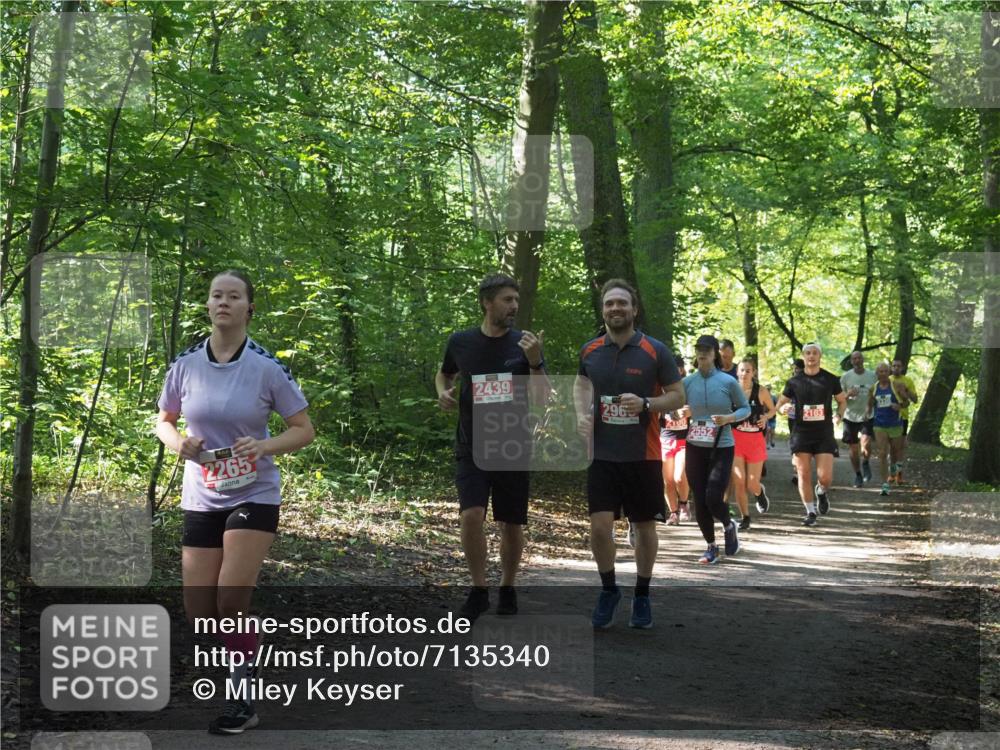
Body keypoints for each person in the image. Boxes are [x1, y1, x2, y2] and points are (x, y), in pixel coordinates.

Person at [156, 270, 315, 735]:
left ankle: (242, 700)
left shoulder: (265, 367)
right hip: (202, 493)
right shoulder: (185, 364)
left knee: (230, 598)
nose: (223, 302)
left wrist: (264, 446)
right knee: (200, 612)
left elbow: (303, 429)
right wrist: (179, 443)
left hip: (254, 492)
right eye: (216, 296)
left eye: (234, 296)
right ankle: (248, 648)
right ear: (208, 306)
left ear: (249, 308)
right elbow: (164, 421)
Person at [436, 273, 548, 622]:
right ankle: (479, 589)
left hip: (512, 446)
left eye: (516, 299)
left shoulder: (525, 344)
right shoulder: (461, 342)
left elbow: (543, 397)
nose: (514, 306)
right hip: (471, 444)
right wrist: (443, 391)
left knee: (510, 523)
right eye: (507, 300)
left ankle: (508, 587)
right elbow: (445, 374)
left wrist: (535, 361)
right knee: (471, 515)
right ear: (487, 302)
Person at [575, 279, 684, 629]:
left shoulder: (655, 350)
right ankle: (609, 589)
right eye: (609, 304)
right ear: (603, 310)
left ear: (634, 309)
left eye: (622, 303)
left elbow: (678, 395)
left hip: (643, 454)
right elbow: (580, 387)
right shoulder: (590, 351)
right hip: (602, 453)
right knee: (599, 527)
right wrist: (581, 415)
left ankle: (642, 593)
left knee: (644, 526)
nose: (615, 308)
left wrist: (647, 403)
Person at [681, 336, 750, 564]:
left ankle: (729, 525)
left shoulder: (728, 381)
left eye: (707, 350)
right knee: (699, 499)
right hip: (694, 445)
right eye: (699, 349)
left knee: (712, 496)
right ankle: (711, 546)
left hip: (721, 445)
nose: (702, 353)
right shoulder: (687, 382)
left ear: (714, 354)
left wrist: (728, 418)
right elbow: (674, 408)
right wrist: (678, 413)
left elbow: (745, 409)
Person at [775, 343, 847, 527]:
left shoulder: (830, 379)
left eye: (815, 353)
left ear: (820, 356)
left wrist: (839, 415)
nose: (811, 356)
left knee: (825, 477)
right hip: (801, 433)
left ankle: (821, 491)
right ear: (804, 356)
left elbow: (842, 401)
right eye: (808, 353)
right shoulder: (794, 381)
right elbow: (780, 404)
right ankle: (810, 511)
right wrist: (783, 409)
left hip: (824, 433)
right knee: (803, 473)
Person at [731, 358, 776, 530]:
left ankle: (759, 492)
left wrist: (765, 417)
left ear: (753, 372)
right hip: (735, 439)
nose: (744, 373)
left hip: (755, 440)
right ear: (737, 372)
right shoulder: (730, 390)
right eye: (742, 370)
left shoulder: (761, 391)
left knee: (751, 483)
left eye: (748, 370)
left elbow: (772, 410)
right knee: (739, 480)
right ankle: (745, 517)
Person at [869, 362, 910, 496]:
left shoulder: (897, 385)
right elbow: (870, 403)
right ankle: (885, 484)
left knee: (895, 452)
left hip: (895, 424)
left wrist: (900, 406)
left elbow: (907, 402)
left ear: (889, 373)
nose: (883, 374)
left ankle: (893, 470)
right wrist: (867, 413)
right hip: (879, 424)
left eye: (886, 371)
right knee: (882, 453)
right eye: (880, 371)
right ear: (877, 373)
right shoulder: (873, 388)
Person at [661, 354, 691, 525]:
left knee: (679, 476)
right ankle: (673, 513)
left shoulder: (687, 387)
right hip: (665, 439)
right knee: (668, 481)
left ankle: (684, 504)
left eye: (678, 367)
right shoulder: (660, 388)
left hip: (683, 440)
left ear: (681, 369)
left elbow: (699, 407)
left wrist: (689, 411)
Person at [841, 350, 876, 487]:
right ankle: (858, 475)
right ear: (851, 361)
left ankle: (865, 462)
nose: (857, 360)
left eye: (859, 358)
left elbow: (877, 394)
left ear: (863, 359)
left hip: (867, 415)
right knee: (853, 448)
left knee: (866, 443)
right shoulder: (846, 377)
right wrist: (848, 394)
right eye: (854, 358)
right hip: (850, 416)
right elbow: (839, 398)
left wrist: (871, 406)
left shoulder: (872, 376)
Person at [890, 359, 919, 484]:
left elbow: (915, 400)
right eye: (894, 366)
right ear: (891, 368)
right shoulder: (887, 380)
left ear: (902, 368)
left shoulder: (908, 381)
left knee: (900, 448)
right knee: (892, 447)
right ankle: (892, 473)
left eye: (898, 366)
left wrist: (905, 390)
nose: (896, 368)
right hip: (889, 417)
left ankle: (899, 474)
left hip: (903, 417)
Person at [787, 358, 804, 486]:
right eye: (794, 368)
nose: (795, 371)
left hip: (805, 417)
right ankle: (796, 472)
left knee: (803, 444)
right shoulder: (791, 382)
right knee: (795, 443)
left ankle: (801, 470)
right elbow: (784, 398)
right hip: (792, 417)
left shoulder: (809, 381)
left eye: (797, 368)